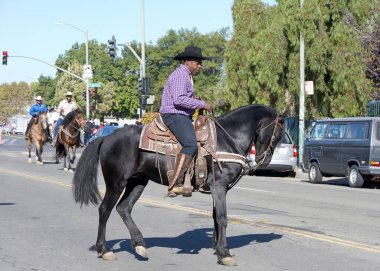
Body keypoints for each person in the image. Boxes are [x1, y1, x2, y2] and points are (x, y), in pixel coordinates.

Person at [159, 45, 213, 197]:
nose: (199, 66)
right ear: (188, 61)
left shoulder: (186, 76)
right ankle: (175, 183)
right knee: (190, 144)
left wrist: (193, 99)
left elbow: (184, 97)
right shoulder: (180, 75)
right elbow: (178, 99)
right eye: (197, 63)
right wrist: (202, 104)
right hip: (174, 115)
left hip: (182, 115)